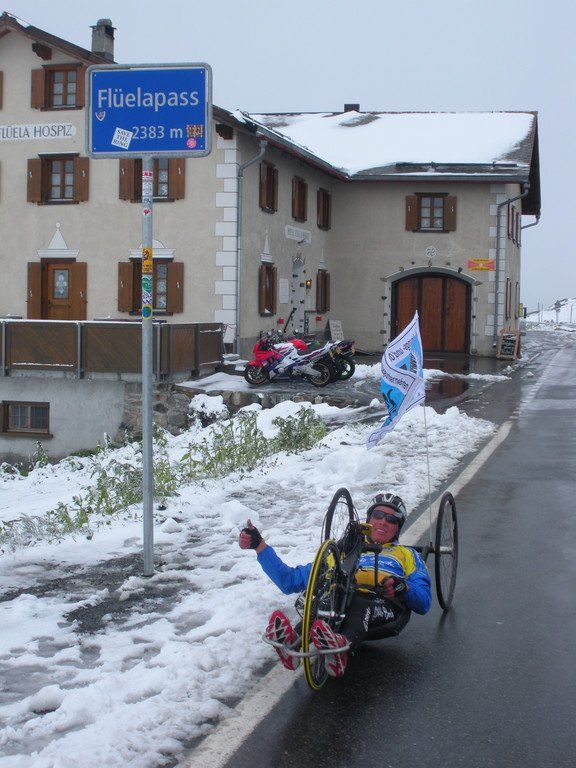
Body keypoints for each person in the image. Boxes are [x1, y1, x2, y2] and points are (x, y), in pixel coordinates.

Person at [239, 493, 431, 678]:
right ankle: (294, 643)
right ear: (369, 519)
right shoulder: (343, 552)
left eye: (391, 519)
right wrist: (259, 546)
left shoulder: (408, 555)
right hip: (340, 602)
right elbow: (289, 581)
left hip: (384, 606)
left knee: (360, 601)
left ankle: (340, 648)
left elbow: (424, 602)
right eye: (378, 515)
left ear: (398, 526)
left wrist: (403, 588)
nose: (382, 521)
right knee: (322, 597)